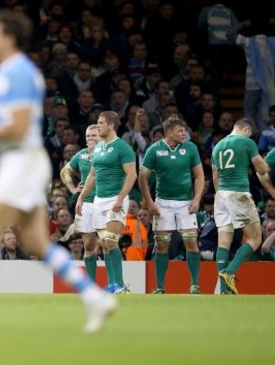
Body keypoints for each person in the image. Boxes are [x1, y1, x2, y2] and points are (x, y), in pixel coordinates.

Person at [0, 10, 115, 334]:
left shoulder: (14, 71)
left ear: (7, 38)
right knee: (36, 242)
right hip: (26, 160)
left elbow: (17, 124)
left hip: (21, 160)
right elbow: (8, 117)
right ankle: (94, 297)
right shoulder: (15, 71)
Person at [139, 117, 204, 294]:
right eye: (180, 131)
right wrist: (150, 202)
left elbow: (199, 176)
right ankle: (160, 287)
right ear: (169, 133)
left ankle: (195, 285)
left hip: (186, 202)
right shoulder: (154, 150)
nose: (184, 133)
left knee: (191, 242)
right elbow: (142, 177)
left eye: (184, 130)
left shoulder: (191, 148)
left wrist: (197, 200)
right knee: (162, 245)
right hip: (163, 203)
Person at [77, 111, 137, 294]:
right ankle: (113, 285)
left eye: (101, 123)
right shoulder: (100, 148)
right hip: (98, 201)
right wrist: (80, 198)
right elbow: (92, 175)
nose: (98, 125)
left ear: (111, 125)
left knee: (110, 241)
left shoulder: (123, 148)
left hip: (115, 199)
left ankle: (120, 285)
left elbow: (132, 174)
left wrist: (120, 198)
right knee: (104, 243)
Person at [213, 119, 271, 294]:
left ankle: (223, 289)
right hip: (238, 194)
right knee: (255, 239)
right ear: (246, 129)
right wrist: (268, 166)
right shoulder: (247, 142)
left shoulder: (217, 146)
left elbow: (215, 176)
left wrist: (220, 195)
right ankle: (230, 273)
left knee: (223, 242)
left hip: (221, 195)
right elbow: (261, 169)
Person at [60, 124, 100, 282]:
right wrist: (72, 190)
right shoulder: (81, 155)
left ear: (101, 136)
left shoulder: (109, 154)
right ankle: (90, 284)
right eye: (88, 136)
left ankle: (115, 284)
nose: (90, 138)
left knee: (106, 242)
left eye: (94, 135)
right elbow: (65, 171)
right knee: (89, 244)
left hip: (105, 201)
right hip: (86, 204)